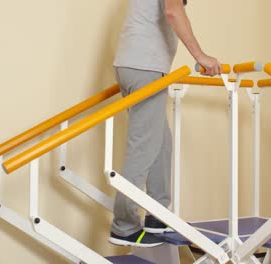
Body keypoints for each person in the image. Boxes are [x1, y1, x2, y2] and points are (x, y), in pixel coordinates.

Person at [108, 0, 222, 248]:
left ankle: (158, 215)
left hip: (139, 65)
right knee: (144, 147)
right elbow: (172, 11)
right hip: (144, 67)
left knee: (160, 143)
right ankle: (124, 226)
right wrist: (200, 55)